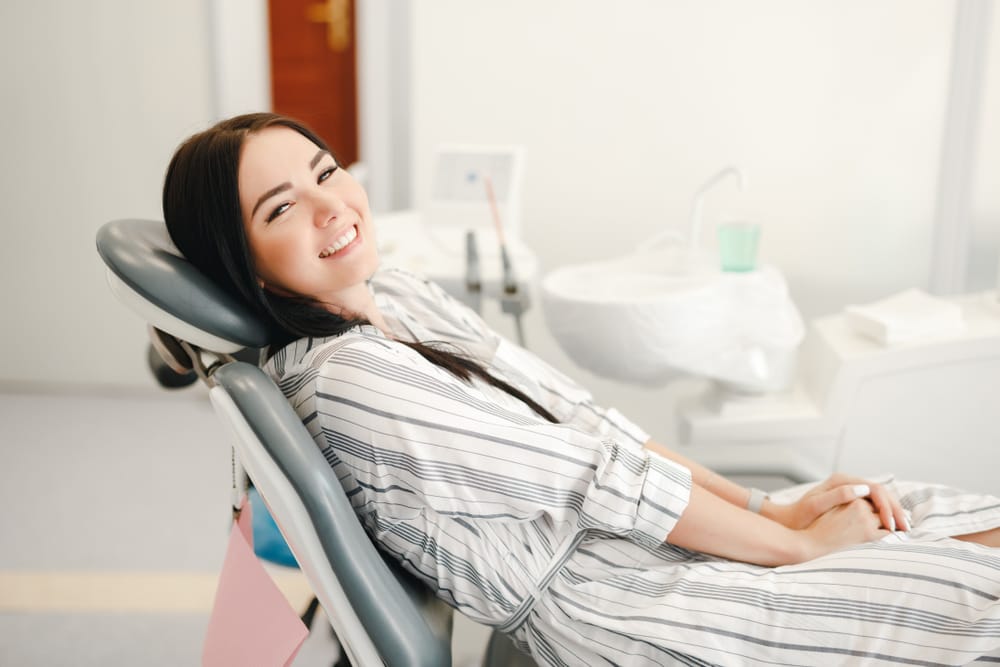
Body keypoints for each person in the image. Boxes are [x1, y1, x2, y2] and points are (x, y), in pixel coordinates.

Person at [163, 112, 1000, 665]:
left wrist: (767, 507)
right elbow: (592, 478)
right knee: (965, 597)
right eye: (280, 207)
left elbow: (589, 425)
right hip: (618, 605)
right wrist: (800, 546)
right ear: (242, 263)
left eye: (327, 169)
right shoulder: (352, 378)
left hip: (638, 543)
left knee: (936, 516)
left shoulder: (401, 297)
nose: (331, 205)